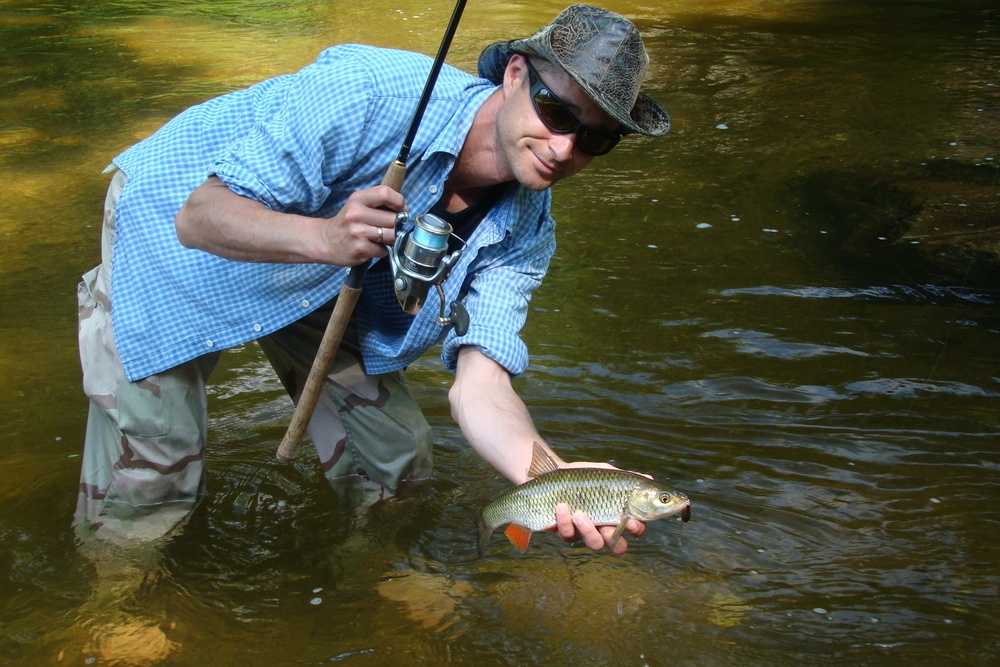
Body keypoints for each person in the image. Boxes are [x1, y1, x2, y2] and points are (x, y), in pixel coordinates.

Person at [75, 4, 671, 554]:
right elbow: (199, 216)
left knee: (395, 461)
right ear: (514, 74)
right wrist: (327, 240)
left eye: (595, 138)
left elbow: (480, 385)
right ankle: (117, 602)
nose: (565, 147)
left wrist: (545, 475)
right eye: (557, 111)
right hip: (177, 222)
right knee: (158, 458)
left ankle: (375, 584)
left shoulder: (528, 233)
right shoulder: (365, 91)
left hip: (323, 270)